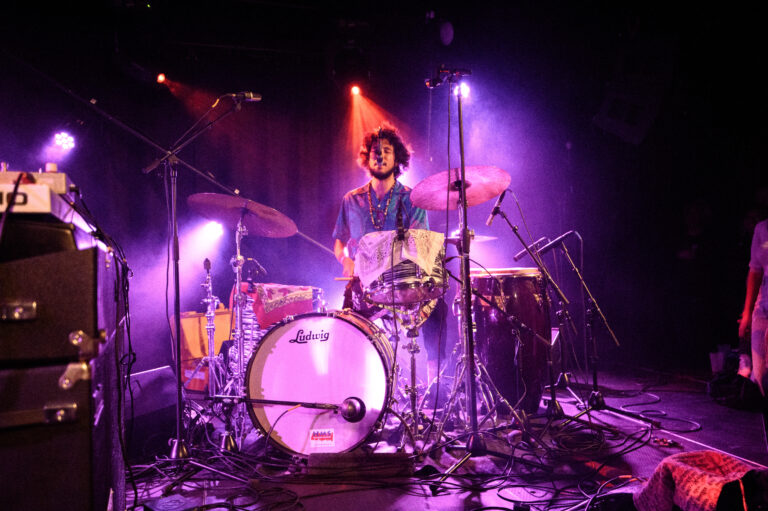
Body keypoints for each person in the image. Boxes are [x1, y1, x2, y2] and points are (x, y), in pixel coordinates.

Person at [332, 123, 447, 388]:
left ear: (397, 159)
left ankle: (422, 395)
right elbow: (339, 240)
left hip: (401, 288)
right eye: (375, 150)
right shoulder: (351, 199)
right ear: (367, 157)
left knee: (414, 349)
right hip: (363, 288)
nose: (380, 155)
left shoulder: (412, 199)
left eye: (386, 150)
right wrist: (345, 258)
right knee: (349, 344)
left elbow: (421, 246)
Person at [738, 217, 768, 397]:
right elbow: (755, 271)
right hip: (763, 307)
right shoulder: (762, 229)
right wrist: (747, 313)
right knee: (759, 375)